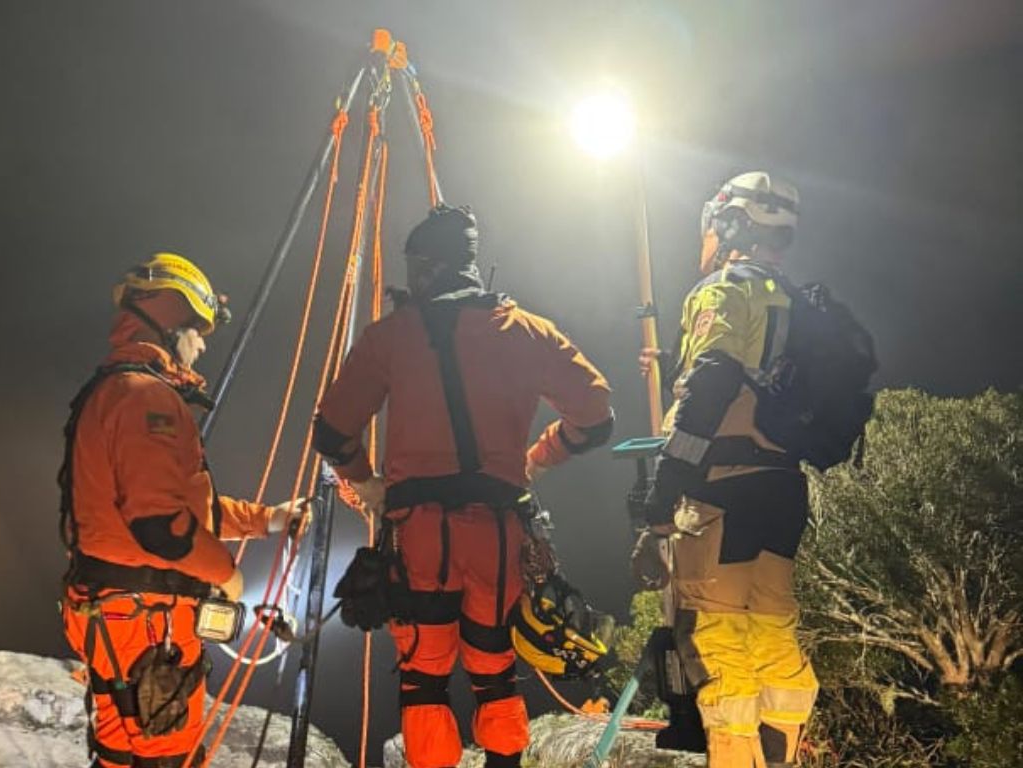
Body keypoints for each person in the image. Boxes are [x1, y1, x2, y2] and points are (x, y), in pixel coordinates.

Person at [313, 205, 614, 768]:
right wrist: (537, 459)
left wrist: (368, 485)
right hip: (498, 537)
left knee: (424, 680)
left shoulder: (392, 336)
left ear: (425, 268)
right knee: (495, 668)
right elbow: (597, 416)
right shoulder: (526, 329)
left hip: (419, 533)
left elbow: (331, 430)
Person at [58, 252, 309, 768]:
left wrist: (269, 519)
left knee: (118, 752)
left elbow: (185, 510)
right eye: (198, 330)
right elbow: (161, 528)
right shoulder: (145, 396)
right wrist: (228, 574)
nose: (201, 344)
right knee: (165, 757)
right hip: (151, 626)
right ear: (174, 319)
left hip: (113, 616)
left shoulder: (116, 391)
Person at [632, 172, 820, 767]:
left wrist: (662, 504)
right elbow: (763, 375)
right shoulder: (798, 301)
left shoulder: (723, 291)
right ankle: (781, 758)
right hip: (783, 491)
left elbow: (711, 386)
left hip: (723, 495)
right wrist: (673, 358)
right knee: (772, 637)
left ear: (730, 224)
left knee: (717, 648)